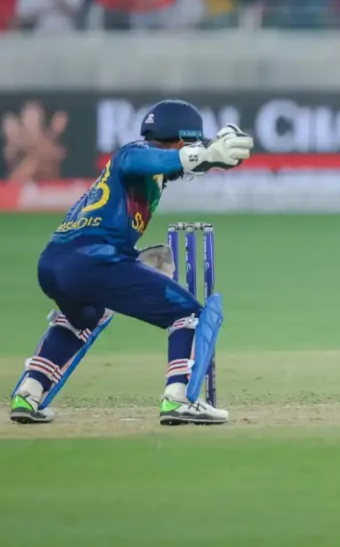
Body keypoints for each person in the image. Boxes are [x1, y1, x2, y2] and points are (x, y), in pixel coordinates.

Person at [10, 100, 254, 426]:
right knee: (188, 314)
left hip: (56, 263)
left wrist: (218, 153)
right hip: (95, 262)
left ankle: (29, 393)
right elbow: (158, 159)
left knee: (84, 317)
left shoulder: (155, 169)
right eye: (193, 141)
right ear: (180, 137)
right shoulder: (132, 155)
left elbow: (184, 163)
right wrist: (204, 152)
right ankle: (178, 399)